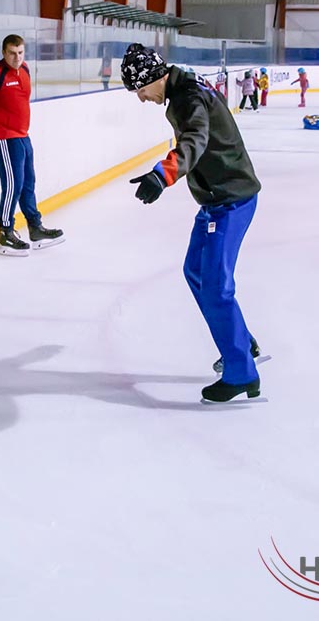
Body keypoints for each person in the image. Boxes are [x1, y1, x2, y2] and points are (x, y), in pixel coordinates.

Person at [120, 43, 262, 403]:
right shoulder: (184, 86)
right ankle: (241, 341)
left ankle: (241, 372)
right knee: (196, 271)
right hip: (216, 200)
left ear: (153, 77)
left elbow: (195, 139)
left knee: (214, 286)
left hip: (230, 199)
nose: (141, 98)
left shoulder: (188, 98)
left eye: (139, 89)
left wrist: (162, 175)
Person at [0, 34, 64, 256]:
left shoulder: (24, 69)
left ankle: (35, 227)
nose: (17, 57)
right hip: (3, 138)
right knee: (13, 184)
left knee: (28, 182)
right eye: (12, 53)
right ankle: (6, 231)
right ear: (3, 53)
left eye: (20, 53)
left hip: (22, 135)